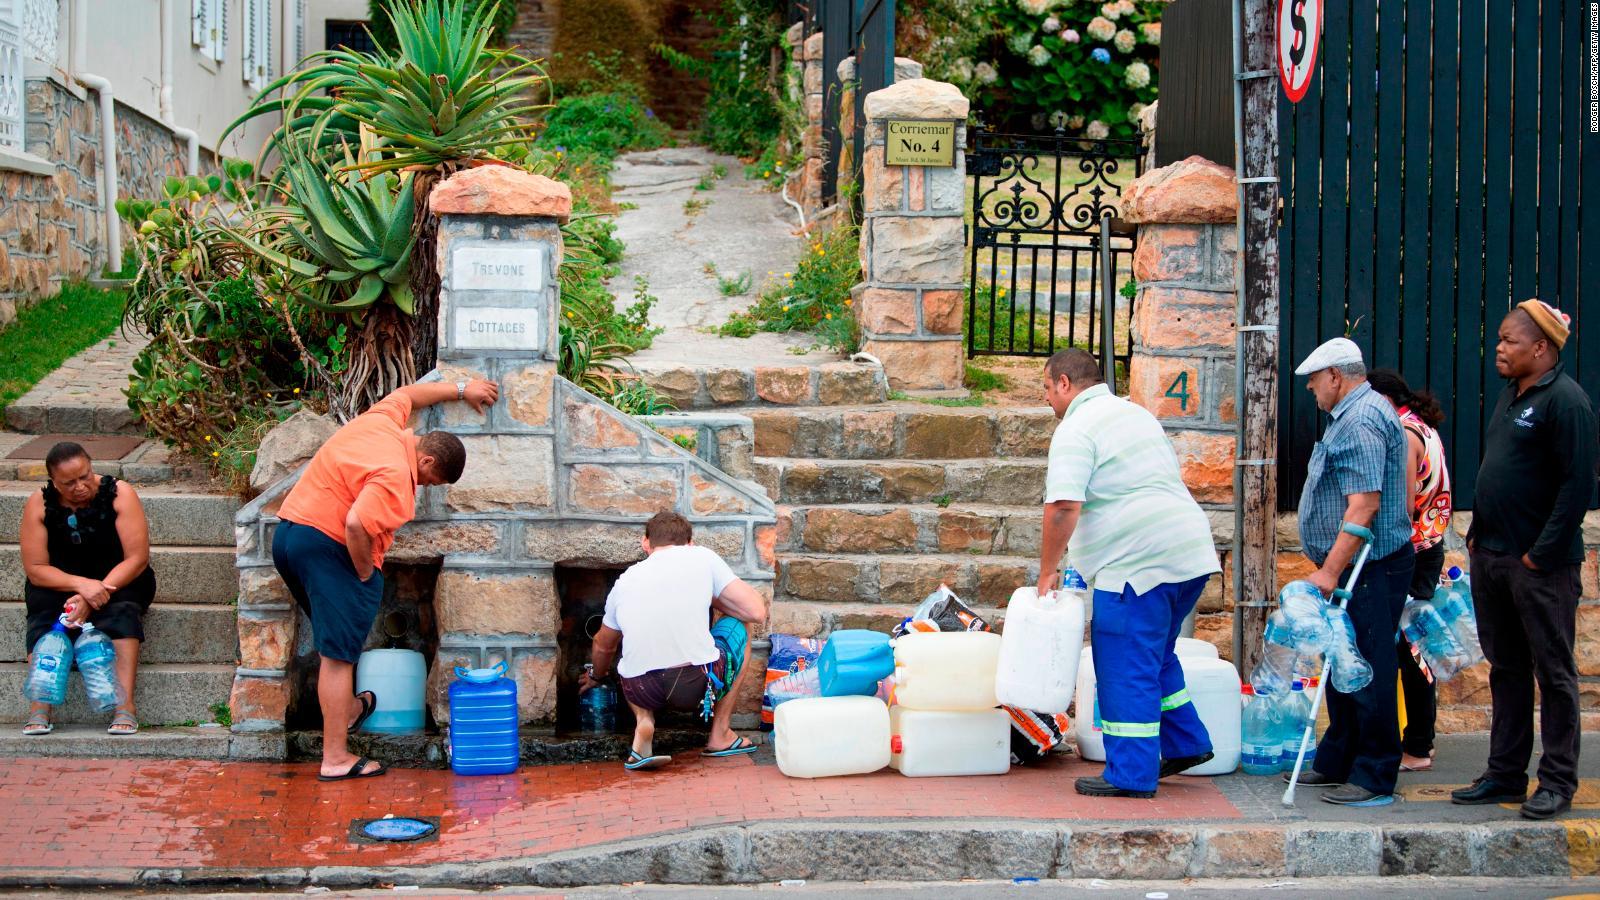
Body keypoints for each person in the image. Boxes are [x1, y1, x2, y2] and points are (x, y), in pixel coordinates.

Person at [273, 378, 497, 781]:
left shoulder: (382, 424)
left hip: (289, 536)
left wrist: (463, 389)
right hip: (329, 548)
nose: (425, 487)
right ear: (426, 462)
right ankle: (336, 759)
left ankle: (354, 710)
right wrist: (362, 570)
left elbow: (410, 395)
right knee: (338, 656)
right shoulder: (397, 475)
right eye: (431, 482)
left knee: (335, 644)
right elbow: (356, 522)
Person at [1035, 349, 1221, 798]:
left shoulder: (1076, 428)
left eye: (1045, 388)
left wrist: (1047, 572)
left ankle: (1131, 775)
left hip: (1137, 564)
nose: (1046, 399)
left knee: (1123, 664)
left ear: (1064, 383)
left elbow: (1063, 506)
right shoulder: (1134, 414)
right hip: (1189, 553)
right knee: (1154, 656)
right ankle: (1186, 743)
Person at [1453, 300, 1597, 820]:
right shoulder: (1512, 397)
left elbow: (1578, 486)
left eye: (1509, 341)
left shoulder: (1567, 402)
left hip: (1540, 567)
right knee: (1506, 669)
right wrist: (1477, 536)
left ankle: (1557, 781)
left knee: (1554, 673)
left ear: (1541, 347)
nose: (1499, 348)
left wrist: (1541, 555)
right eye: (1499, 339)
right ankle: (1505, 773)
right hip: (1492, 557)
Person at [1290, 337, 1416, 806]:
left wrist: (1329, 571)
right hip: (1358, 566)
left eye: (1314, 382)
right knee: (1342, 661)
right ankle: (1336, 759)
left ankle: (1374, 772)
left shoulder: (1360, 420)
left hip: (1370, 566)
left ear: (1335, 377)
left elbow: (1363, 507)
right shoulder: (1354, 414)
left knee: (1366, 667)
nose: (1311, 390)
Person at [579, 511, 769, 771]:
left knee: (628, 650)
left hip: (641, 690)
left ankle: (644, 720)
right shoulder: (701, 557)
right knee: (741, 626)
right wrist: (710, 595)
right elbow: (756, 612)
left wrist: (597, 677)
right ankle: (720, 735)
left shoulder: (624, 582)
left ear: (646, 543)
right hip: (694, 684)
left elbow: (603, 644)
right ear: (690, 543)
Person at [20, 442, 156, 736]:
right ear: (53, 481)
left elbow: (137, 558)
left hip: (119, 579)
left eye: (85, 476)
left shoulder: (121, 494)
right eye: (69, 483)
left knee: (121, 612)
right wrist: (81, 587)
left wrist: (93, 595)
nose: (80, 486)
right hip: (62, 582)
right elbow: (36, 568)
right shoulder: (38, 504)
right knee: (44, 610)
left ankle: (125, 706)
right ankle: (39, 705)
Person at [1368, 369, 1453, 773]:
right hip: (1430, 546)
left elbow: (1400, 506)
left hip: (1412, 551)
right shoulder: (1423, 427)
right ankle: (1420, 741)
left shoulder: (1403, 434)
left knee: (1410, 650)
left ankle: (1418, 746)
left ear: (1383, 399)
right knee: (1415, 646)